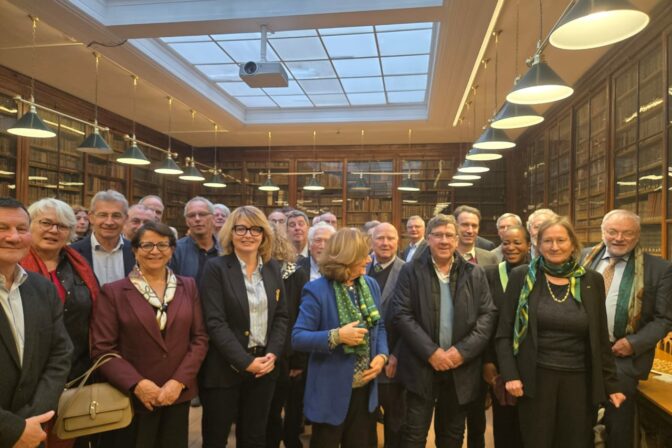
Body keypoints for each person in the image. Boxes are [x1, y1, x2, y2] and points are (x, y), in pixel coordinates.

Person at [495, 216, 625, 448]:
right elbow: (504, 333)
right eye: (548, 241)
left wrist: (611, 384)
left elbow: (600, 339)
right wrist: (510, 374)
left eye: (561, 240)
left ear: (573, 244)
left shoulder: (591, 281)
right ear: (538, 245)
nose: (555, 246)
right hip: (534, 379)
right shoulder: (522, 277)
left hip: (580, 382)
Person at [90, 221, 209, 447]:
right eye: (147, 245)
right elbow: (103, 349)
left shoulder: (189, 286)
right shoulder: (114, 292)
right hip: (131, 397)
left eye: (162, 245)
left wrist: (178, 381)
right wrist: (138, 384)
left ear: (172, 250)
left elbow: (200, 338)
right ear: (134, 250)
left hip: (177, 394)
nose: (155, 251)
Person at [391, 214, 496, 448]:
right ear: (428, 239)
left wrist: (461, 352)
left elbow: (487, 315)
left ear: (457, 240)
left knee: (452, 437)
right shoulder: (410, 271)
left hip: (460, 369)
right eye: (438, 235)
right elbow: (401, 314)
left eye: (449, 235)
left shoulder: (474, 273)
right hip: (421, 366)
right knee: (414, 436)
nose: (444, 241)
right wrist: (432, 353)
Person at [581, 209, 672, 448]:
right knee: (578, 421)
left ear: (637, 235)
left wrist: (634, 343)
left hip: (622, 360)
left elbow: (664, 319)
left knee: (618, 427)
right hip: (580, 354)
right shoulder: (582, 259)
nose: (619, 238)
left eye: (627, 233)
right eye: (612, 231)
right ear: (603, 232)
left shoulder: (659, 269)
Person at [199, 205, 288, 448]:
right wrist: (245, 362)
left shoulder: (272, 268)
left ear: (264, 235)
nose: (248, 235)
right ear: (230, 232)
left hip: (264, 370)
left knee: (254, 438)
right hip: (224, 370)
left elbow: (281, 316)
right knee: (216, 438)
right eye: (241, 228)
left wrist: (272, 354)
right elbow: (215, 322)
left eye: (255, 229)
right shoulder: (216, 268)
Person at [293, 228, 389, 448]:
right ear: (346, 258)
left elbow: (380, 325)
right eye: (363, 255)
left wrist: (382, 356)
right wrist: (337, 336)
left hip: (365, 392)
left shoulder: (370, 285)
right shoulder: (316, 290)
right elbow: (298, 337)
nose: (368, 259)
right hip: (330, 392)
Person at [0, 197, 73, 448]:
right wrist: (12, 429)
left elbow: (60, 354)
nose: (13, 237)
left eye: (21, 229)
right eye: (2, 228)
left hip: (33, 430)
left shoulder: (41, 288)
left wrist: (34, 418)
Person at [21, 198, 99, 383]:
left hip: (78, 368)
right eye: (46, 223)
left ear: (70, 232)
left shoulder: (81, 265)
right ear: (29, 225)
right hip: (27, 370)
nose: (53, 230)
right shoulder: (12, 265)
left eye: (62, 226)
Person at [482, 225, 530, 448]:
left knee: (528, 424)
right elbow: (483, 320)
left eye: (517, 242)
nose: (511, 247)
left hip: (531, 360)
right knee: (504, 423)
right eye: (506, 243)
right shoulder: (489, 274)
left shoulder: (537, 274)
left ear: (529, 245)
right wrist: (488, 360)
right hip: (499, 359)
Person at [265, 223, 309, 448]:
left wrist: (299, 359)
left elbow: (302, 318)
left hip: (289, 353)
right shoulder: (253, 272)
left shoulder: (296, 273)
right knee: (267, 412)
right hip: (260, 354)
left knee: (293, 407)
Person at [369, 223, 406, 448]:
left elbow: (413, 319)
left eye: (390, 238)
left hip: (394, 359)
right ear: (371, 242)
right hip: (363, 359)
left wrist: (397, 354)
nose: (385, 243)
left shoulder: (408, 270)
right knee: (364, 419)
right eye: (380, 238)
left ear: (397, 242)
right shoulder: (359, 268)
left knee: (395, 421)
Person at [71, 190, 135, 285]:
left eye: (116, 216)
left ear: (125, 219)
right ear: (91, 218)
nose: (109, 222)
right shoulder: (72, 253)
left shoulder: (137, 252)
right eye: (103, 215)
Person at [169, 197, 219, 285]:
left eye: (202, 214)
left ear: (213, 218)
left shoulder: (225, 249)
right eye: (191, 215)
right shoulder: (176, 250)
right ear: (186, 221)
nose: (197, 219)